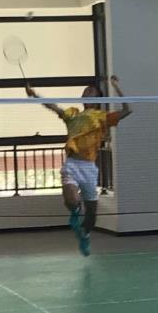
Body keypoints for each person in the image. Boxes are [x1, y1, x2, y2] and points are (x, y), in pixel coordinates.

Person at [26, 76, 132, 256]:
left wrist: (115, 86)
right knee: (72, 201)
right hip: (72, 164)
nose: (87, 91)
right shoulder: (72, 114)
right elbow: (53, 106)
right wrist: (34, 95)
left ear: (98, 100)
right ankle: (75, 212)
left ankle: (85, 234)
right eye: (86, 91)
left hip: (89, 168)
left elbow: (128, 110)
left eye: (91, 91)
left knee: (92, 215)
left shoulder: (102, 117)